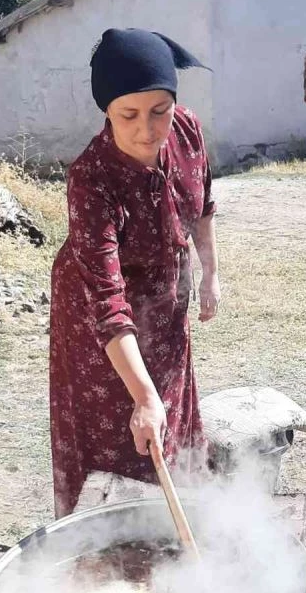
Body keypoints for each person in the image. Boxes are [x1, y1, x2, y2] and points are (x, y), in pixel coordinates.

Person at [49, 28, 220, 517]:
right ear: (106, 109)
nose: (147, 129)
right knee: (120, 434)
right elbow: (106, 300)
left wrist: (210, 272)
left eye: (159, 110)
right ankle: (104, 540)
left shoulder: (186, 130)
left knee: (172, 419)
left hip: (165, 305)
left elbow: (204, 200)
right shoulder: (91, 179)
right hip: (97, 323)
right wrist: (143, 396)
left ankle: (174, 528)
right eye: (128, 114)